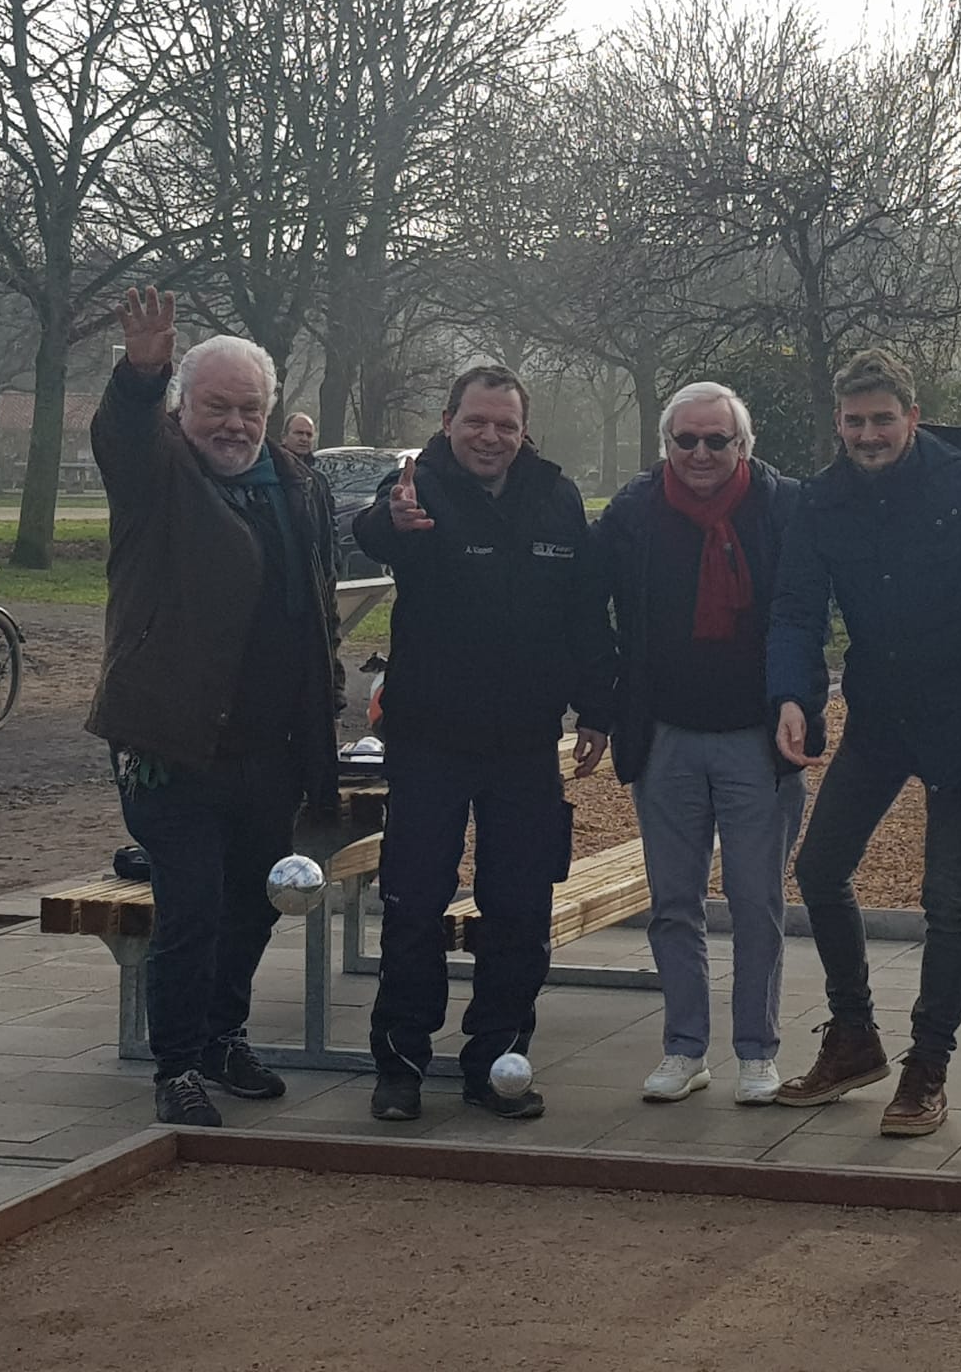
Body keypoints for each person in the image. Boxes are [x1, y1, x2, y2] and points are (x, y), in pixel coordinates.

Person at [87, 287, 341, 1127]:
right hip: (173, 742)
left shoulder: (295, 483)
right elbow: (122, 434)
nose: (234, 424)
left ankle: (224, 1035)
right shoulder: (157, 469)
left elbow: (315, 599)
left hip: (271, 746)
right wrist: (141, 373)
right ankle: (176, 1067)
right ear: (183, 407)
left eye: (250, 408)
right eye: (216, 407)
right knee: (189, 913)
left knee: (255, 901)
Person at [767, 349, 961, 1138]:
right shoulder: (823, 501)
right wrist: (793, 700)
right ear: (838, 424)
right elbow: (797, 610)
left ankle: (928, 1066)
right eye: (855, 421)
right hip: (879, 719)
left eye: (884, 419)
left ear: (913, 418)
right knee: (818, 868)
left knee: (945, 897)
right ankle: (854, 1037)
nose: (869, 434)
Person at [358, 364, 616, 1124]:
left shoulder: (557, 496)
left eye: (505, 424)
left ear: (523, 430)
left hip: (525, 744)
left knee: (519, 909)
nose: (491, 436)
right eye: (477, 421)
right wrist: (389, 523)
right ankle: (400, 1065)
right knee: (413, 907)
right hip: (429, 739)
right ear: (448, 421)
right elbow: (374, 528)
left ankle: (495, 1062)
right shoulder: (417, 486)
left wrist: (596, 707)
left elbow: (585, 613)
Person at [594, 382, 810, 1106]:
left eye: (717, 440)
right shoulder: (633, 514)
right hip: (667, 736)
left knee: (756, 902)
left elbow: (807, 614)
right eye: (686, 440)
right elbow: (582, 599)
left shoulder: (784, 507)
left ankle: (757, 1050)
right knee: (673, 903)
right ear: (666, 446)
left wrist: (800, 704)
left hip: (756, 737)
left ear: (744, 446)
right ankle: (685, 1047)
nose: (701, 453)